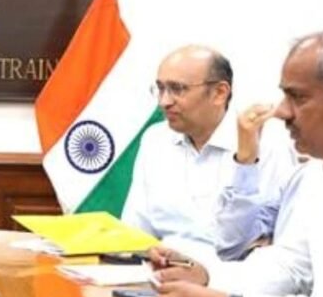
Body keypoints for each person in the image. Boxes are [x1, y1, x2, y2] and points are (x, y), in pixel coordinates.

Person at [152, 26, 323, 297]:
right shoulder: (315, 175)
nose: (281, 112)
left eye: (298, 97)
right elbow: (290, 266)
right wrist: (207, 275)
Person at [120, 45, 297, 259]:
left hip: (230, 275)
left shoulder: (267, 142)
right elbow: (135, 230)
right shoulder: (155, 139)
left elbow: (235, 245)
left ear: (219, 93)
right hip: (159, 270)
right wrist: (147, 253)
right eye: (160, 88)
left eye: (177, 89)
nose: (164, 101)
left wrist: (245, 162)